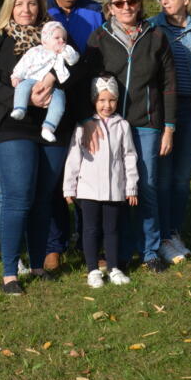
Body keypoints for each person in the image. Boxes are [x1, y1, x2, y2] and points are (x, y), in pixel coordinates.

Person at [0, 0, 70, 295]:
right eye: (19, 4)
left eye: (31, 3)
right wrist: (25, 99)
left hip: (51, 126)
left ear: (40, 6)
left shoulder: (55, 35)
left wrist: (52, 78)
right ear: (10, 7)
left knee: (44, 197)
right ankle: (9, 273)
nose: (26, 9)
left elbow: (74, 67)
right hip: (12, 124)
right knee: (18, 197)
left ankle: (38, 264)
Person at [82, 0, 176, 273]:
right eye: (119, 3)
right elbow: (87, 82)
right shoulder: (99, 37)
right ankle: (119, 252)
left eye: (131, 1)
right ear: (109, 7)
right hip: (109, 125)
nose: (126, 7)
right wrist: (89, 121)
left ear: (140, 4)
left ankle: (149, 250)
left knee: (146, 186)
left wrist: (169, 127)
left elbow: (168, 83)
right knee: (116, 188)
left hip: (146, 123)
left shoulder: (156, 36)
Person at [43, 0, 105, 270]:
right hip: (51, 107)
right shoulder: (41, 10)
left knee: (88, 175)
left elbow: (99, 58)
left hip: (87, 105)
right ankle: (55, 243)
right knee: (54, 176)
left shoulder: (95, 12)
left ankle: (88, 240)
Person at [148, 0, 191, 264]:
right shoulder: (152, 28)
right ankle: (160, 236)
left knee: (182, 178)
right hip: (163, 111)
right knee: (163, 176)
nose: (164, 0)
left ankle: (173, 231)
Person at [62, 73, 139, 288]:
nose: (107, 105)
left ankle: (114, 268)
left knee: (112, 229)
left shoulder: (122, 125)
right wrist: (69, 187)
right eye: (102, 100)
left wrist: (131, 187)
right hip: (88, 190)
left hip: (114, 190)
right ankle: (93, 270)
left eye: (112, 100)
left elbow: (129, 156)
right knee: (90, 229)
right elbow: (74, 157)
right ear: (93, 100)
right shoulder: (83, 126)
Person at [9, 21, 79, 142]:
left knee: (59, 104)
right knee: (22, 87)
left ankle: (48, 128)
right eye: (57, 38)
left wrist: (65, 50)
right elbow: (23, 64)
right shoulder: (36, 51)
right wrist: (16, 76)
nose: (61, 41)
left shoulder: (63, 53)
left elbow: (74, 60)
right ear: (45, 40)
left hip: (56, 87)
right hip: (32, 78)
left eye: (64, 39)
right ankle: (20, 108)